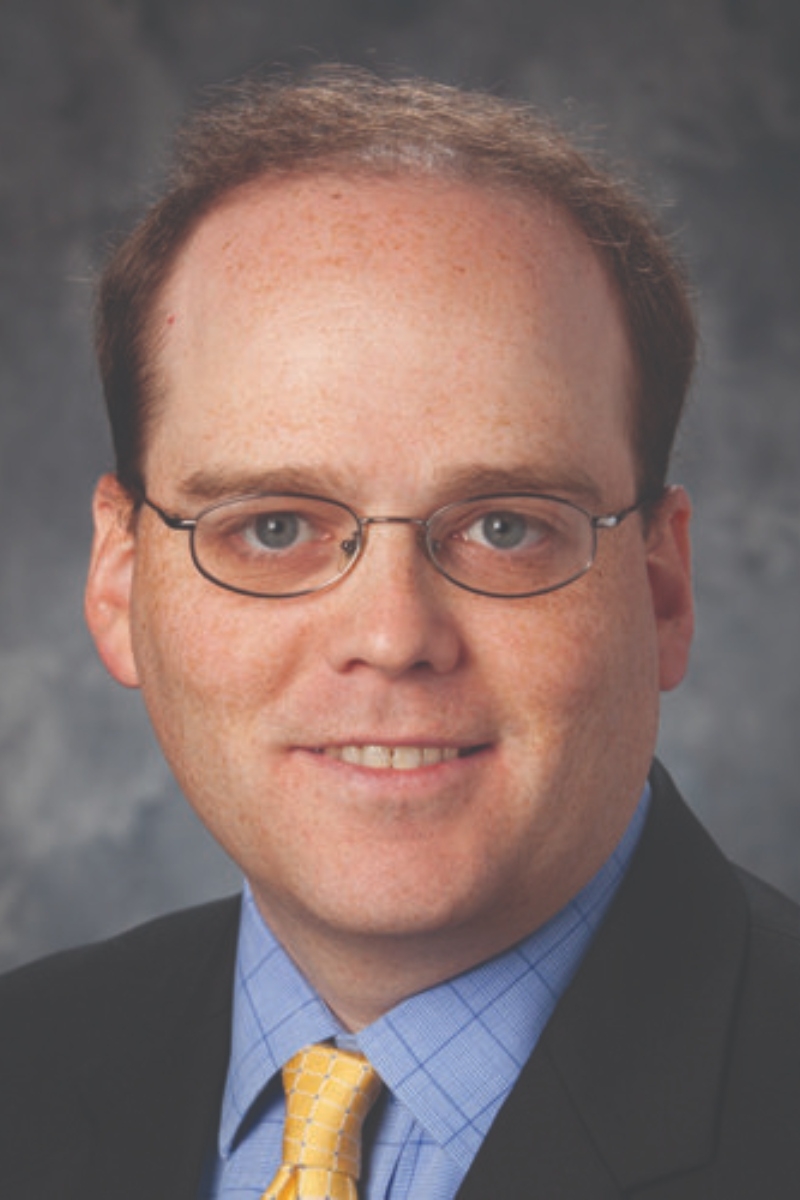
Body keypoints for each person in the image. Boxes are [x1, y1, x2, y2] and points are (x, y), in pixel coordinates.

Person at [1, 67, 799, 1199]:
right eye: (272, 525)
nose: (390, 635)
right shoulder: (20, 1068)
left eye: (505, 525)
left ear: (660, 591)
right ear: (120, 580)